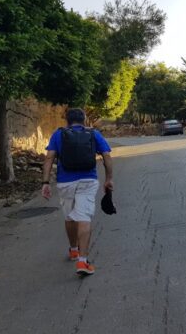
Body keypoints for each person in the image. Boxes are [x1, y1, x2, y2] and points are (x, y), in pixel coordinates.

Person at [41, 108, 113, 276]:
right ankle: (83, 261)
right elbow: (107, 156)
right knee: (84, 217)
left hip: (65, 182)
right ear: (84, 119)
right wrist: (109, 178)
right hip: (88, 180)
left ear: (67, 120)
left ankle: (74, 250)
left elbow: (49, 158)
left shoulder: (58, 134)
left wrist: (45, 182)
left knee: (69, 217)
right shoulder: (93, 134)